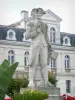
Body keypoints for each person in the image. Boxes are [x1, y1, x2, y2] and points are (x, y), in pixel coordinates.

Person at [25, 8, 54, 87]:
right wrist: (35, 32)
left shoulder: (44, 25)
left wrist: (49, 45)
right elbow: (26, 36)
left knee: (44, 64)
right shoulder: (30, 24)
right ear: (33, 14)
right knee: (33, 64)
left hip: (43, 45)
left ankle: (46, 81)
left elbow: (46, 36)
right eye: (38, 13)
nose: (39, 15)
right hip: (34, 45)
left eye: (41, 14)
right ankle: (31, 81)